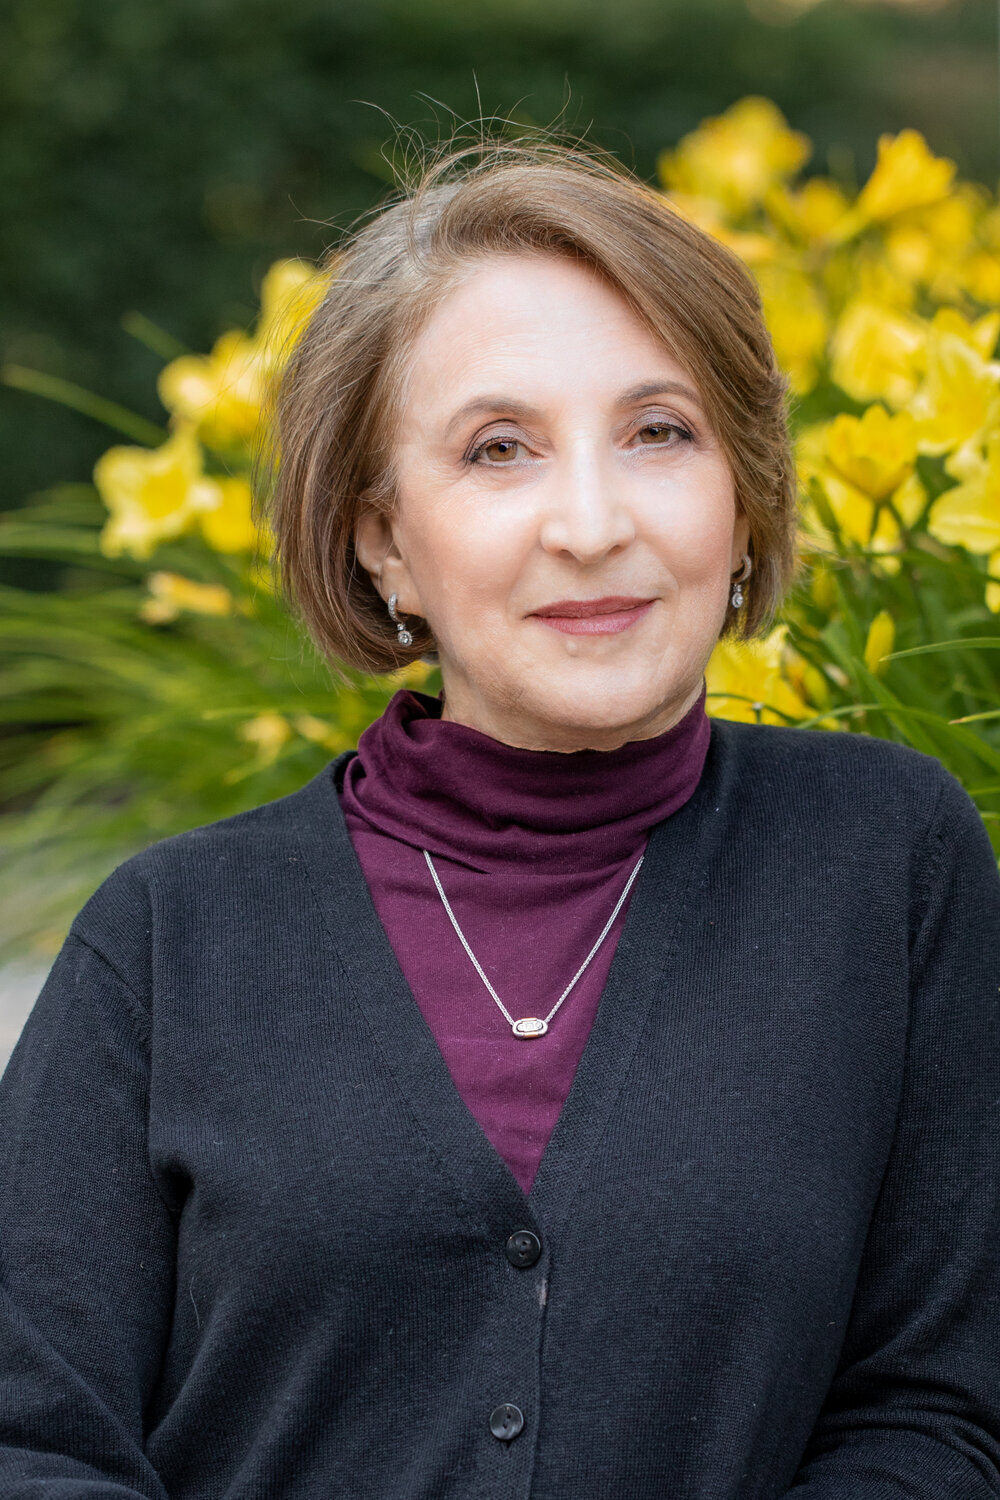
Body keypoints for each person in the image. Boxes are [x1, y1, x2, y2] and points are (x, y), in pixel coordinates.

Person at [2, 137, 999, 1500]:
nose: (592, 523)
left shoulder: (890, 864)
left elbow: (941, 1411)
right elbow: (30, 1436)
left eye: (659, 432)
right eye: (498, 450)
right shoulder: (176, 938)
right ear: (383, 539)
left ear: (742, 491)